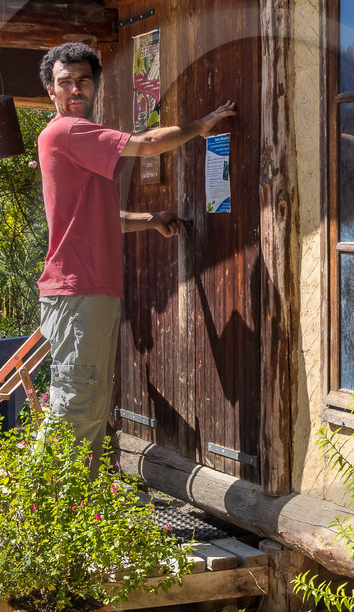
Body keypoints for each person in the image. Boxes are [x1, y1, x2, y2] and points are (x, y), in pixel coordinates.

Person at [34, 41, 234, 466]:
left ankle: (63, 512)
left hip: (85, 291)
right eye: (64, 82)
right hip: (79, 291)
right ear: (50, 91)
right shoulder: (67, 130)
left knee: (85, 404)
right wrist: (200, 127)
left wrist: (149, 219)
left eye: (82, 81)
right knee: (76, 409)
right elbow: (144, 146)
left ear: (95, 86)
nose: (74, 90)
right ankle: (47, 515)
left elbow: (100, 217)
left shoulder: (74, 140)